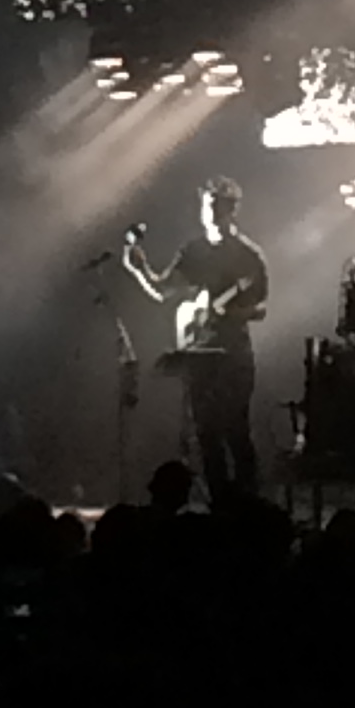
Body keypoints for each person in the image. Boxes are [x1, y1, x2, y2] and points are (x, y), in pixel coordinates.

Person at [124, 177, 269, 502]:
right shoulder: (193, 252)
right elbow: (163, 291)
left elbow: (260, 308)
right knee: (206, 434)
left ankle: (248, 503)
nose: (211, 212)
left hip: (233, 354)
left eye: (218, 206)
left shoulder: (248, 256)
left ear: (231, 210)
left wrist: (229, 313)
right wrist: (138, 269)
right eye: (207, 206)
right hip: (199, 354)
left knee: (236, 430)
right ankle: (220, 502)